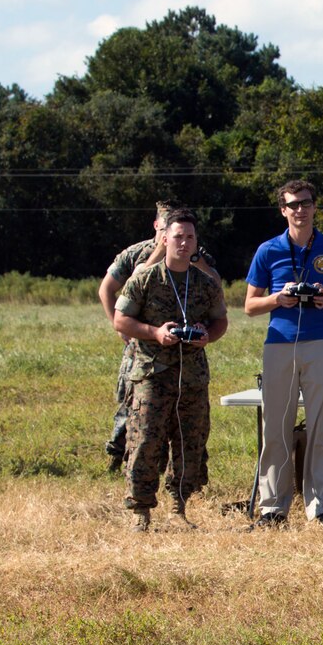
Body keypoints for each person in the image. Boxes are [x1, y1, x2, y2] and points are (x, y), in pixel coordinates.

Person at [245, 180, 323, 528]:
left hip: (321, 342)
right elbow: (250, 306)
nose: (300, 210)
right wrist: (278, 299)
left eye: (306, 203)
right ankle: (273, 508)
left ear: (314, 207)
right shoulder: (268, 250)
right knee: (276, 426)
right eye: (293, 204)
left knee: (319, 426)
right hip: (279, 342)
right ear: (283, 210)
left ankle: (321, 506)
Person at [114, 209, 228, 532]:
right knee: (146, 441)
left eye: (190, 237)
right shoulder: (145, 279)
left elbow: (221, 320)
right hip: (153, 373)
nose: (183, 243)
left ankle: (179, 506)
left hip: (191, 376)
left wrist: (207, 336)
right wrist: (155, 333)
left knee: (190, 443)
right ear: (164, 238)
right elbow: (120, 320)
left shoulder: (206, 283)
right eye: (177, 236)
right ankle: (141, 510)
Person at [98, 201, 220, 473]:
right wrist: (119, 327)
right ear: (158, 227)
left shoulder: (197, 255)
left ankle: (188, 477)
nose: (181, 240)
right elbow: (108, 289)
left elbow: (216, 290)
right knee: (133, 405)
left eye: (187, 235)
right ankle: (119, 456)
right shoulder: (136, 254)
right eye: (171, 231)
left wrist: (193, 257)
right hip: (143, 348)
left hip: (185, 355)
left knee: (191, 419)